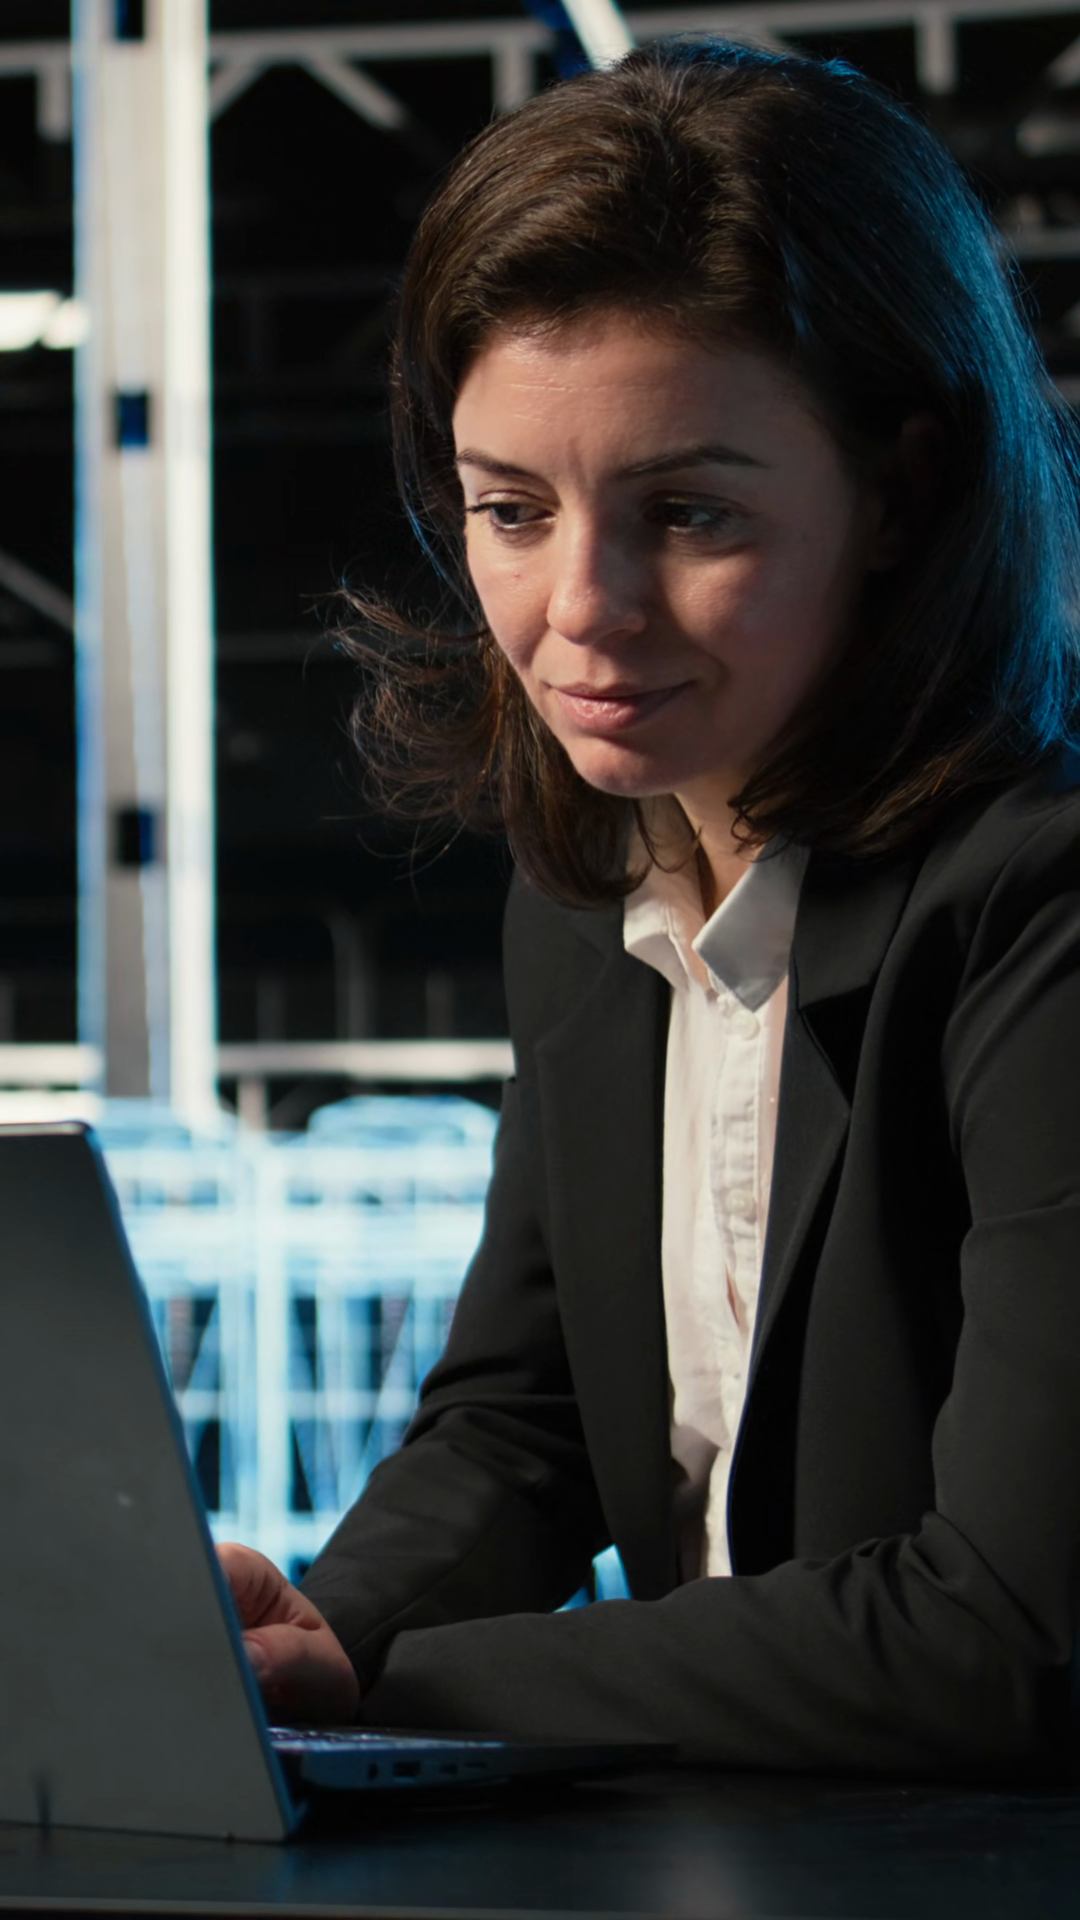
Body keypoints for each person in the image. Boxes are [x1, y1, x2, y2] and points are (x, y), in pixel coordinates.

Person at [218, 36, 1080, 1776]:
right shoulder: (587, 895)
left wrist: (399, 1698)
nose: (580, 609)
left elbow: (1008, 1631)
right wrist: (312, 1640)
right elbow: (525, 1421)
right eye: (511, 511)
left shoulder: (1043, 908)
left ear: (902, 494)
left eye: (687, 512)